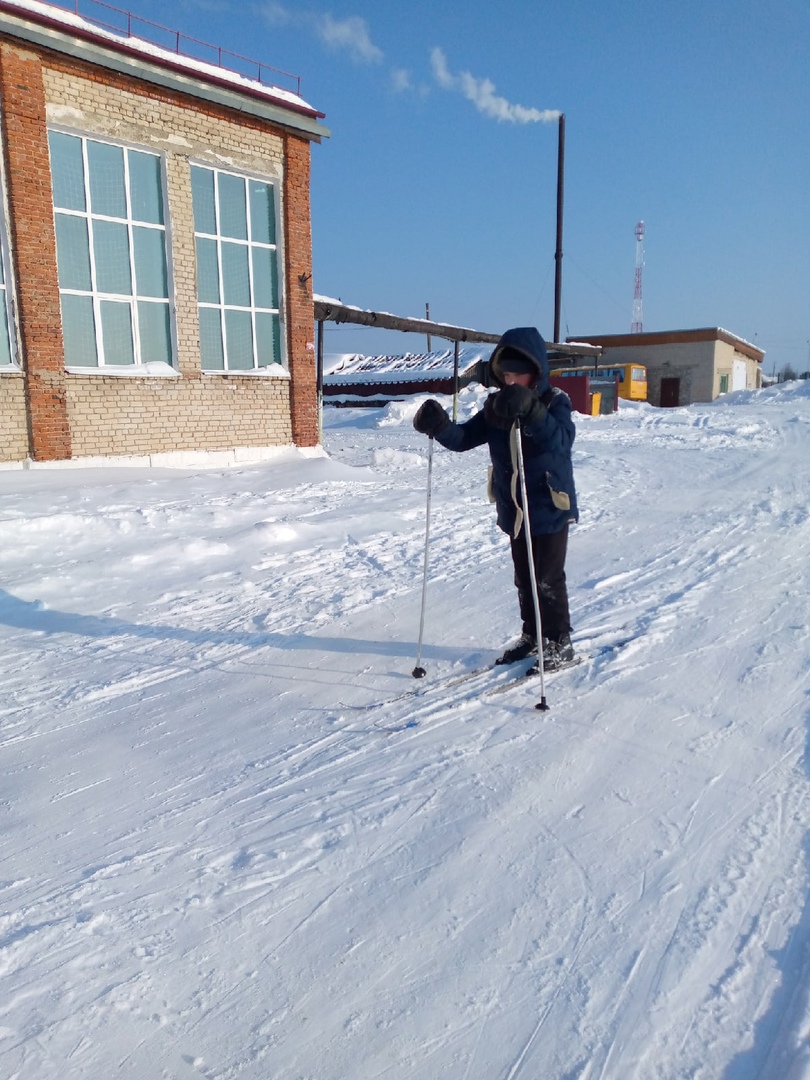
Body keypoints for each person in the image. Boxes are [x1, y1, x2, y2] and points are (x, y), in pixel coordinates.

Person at [412, 326, 578, 670]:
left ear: (537, 371)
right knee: (524, 577)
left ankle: (559, 641)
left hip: (549, 505)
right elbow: (464, 438)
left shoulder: (555, 401)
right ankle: (532, 635)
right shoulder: (495, 406)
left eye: (519, 374)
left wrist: (532, 411)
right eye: (507, 374)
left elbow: (560, 441)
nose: (511, 380)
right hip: (514, 507)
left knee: (547, 578)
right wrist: (440, 426)